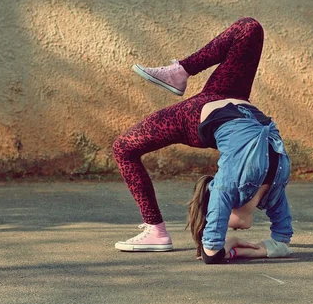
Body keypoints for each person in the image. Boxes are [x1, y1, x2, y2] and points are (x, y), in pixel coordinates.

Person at [112, 17, 293, 263]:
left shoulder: (227, 187)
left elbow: (212, 254)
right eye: (230, 230)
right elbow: (282, 242)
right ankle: (180, 72)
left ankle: (156, 229)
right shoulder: (273, 192)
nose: (234, 230)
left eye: (222, 225)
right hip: (229, 96)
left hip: (195, 117)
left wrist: (229, 244)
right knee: (250, 29)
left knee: (123, 147)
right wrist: (243, 246)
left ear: (214, 212)